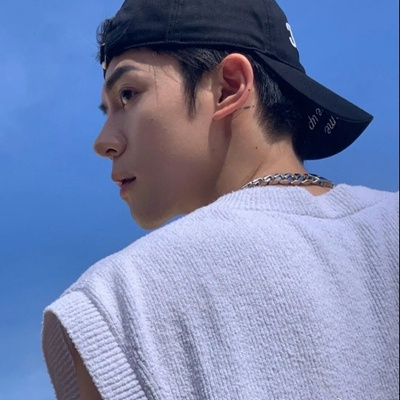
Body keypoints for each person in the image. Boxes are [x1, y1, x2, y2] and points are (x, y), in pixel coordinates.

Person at [42, 0, 399, 399]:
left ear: (228, 87)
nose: (103, 142)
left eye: (127, 94)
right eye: (107, 110)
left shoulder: (121, 302)